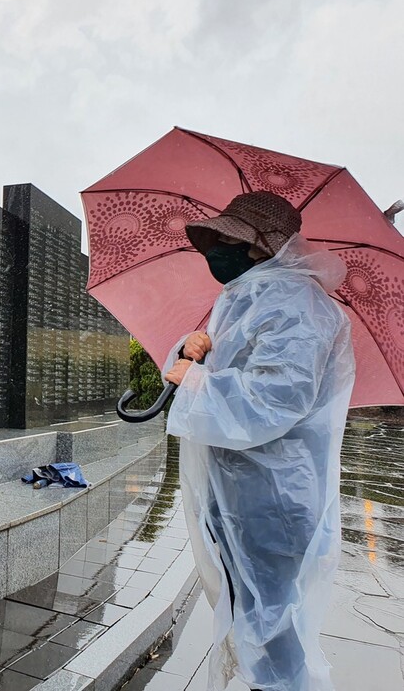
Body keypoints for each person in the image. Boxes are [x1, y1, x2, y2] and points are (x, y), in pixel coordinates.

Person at [162, 191, 355, 691]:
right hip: (242, 490)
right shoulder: (250, 298)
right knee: (254, 614)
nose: (213, 250)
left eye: (225, 238)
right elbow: (226, 376)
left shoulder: (297, 305)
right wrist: (192, 351)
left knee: (273, 624)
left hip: (274, 495)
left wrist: (198, 381)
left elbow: (276, 398)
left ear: (258, 246)